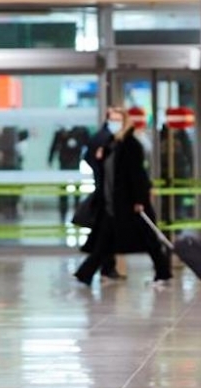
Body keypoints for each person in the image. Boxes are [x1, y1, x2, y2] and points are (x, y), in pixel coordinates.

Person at [74, 109, 171, 287]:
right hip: (113, 203)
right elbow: (106, 172)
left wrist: (140, 200)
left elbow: (137, 175)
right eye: (111, 119)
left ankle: (163, 272)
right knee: (105, 241)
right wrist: (100, 159)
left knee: (148, 238)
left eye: (118, 119)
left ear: (125, 121)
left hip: (131, 203)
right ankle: (85, 273)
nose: (114, 123)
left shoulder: (130, 144)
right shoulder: (112, 144)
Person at [80, 109, 125, 280]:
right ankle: (99, 269)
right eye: (115, 119)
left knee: (106, 234)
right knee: (106, 234)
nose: (117, 123)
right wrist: (100, 172)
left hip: (104, 191)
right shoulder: (105, 138)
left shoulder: (104, 136)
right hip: (106, 194)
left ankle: (101, 269)